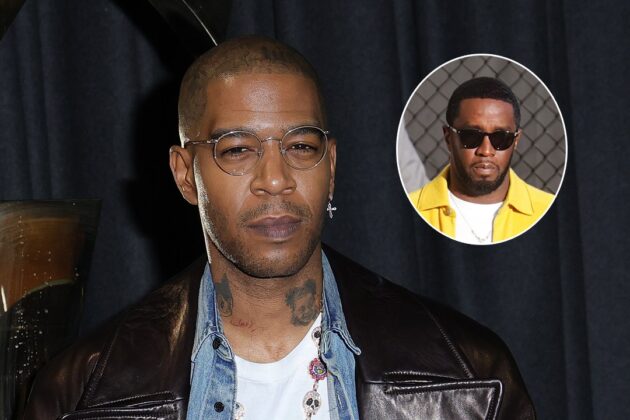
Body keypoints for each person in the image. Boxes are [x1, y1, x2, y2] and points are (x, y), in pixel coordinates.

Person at [23, 36, 536, 419]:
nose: (275, 179)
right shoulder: (82, 396)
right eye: (237, 150)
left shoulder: (469, 375)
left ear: (331, 166)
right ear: (185, 174)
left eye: (301, 146)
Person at [408, 77, 554, 245]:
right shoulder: (411, 209)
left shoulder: (548, 210)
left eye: (501, 138)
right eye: (471, 136)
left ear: (516, 141)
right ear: (448, 138)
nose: (486, 151)